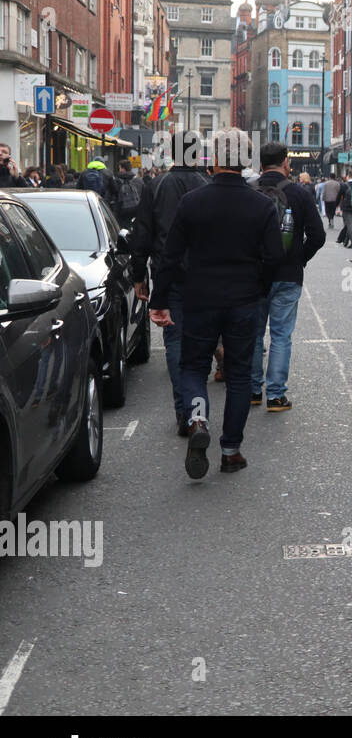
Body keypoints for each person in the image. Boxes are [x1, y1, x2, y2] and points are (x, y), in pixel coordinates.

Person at [148, 129, 283, 477]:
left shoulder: (192, 202)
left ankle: (196, 420)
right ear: (247, 161)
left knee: (193, 368)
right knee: (239, 375)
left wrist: (159, 300)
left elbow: (170, 255)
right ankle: (230, 450)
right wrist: (258, 289)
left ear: (216, 161)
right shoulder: (263, 205)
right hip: (243, 300)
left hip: (199, 298)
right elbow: (273, 258)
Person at [131, 135, 211, 435]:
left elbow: (143, 233)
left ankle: (185, 413)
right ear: (198, 154)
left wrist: (139, 275)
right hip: (204, 276)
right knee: (200, 344)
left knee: (175, 342)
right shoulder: (206, 185)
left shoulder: (156, 185)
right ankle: (197, 413)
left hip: (169, 272)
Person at [248, 142, 325, 412]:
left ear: (261, 163)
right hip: (288, 273)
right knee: (281, 335)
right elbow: (318, 235)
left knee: (254, 334)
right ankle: (276, 396)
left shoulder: (250, 190)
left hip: (254, 274)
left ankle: (253, 390)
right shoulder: (299, 193)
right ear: (285, 163)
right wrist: (299, 258)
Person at [114, 163, 144, 227]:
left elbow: (116, 195)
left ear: (123, 169)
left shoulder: (118, 180)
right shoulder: (139, 181)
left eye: (120, 168)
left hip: (122, 210)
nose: (119, 170)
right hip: (136, 209)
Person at [337, 171, 352, 248]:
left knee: (348, 224)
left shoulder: (344, 185)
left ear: (348, 176)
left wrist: (338, 206)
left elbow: (339, 196)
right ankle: (346, 239)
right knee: (351, 223)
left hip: (346, 207)